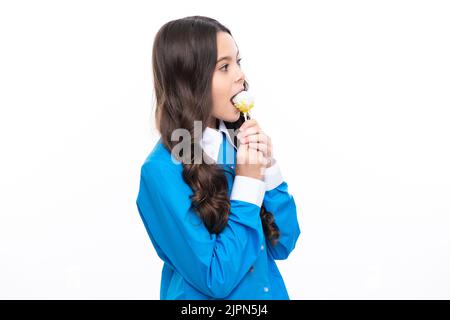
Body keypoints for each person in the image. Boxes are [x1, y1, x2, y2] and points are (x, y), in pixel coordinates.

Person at [136, 15, 301, 300]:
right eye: (224, 66)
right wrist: (248, 182)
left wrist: (268, 169)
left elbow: (283, 244)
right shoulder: (161, 170)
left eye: (238, 61)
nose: (240, 75)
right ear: (189, 81)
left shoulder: (236, 146)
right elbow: (215, 277)